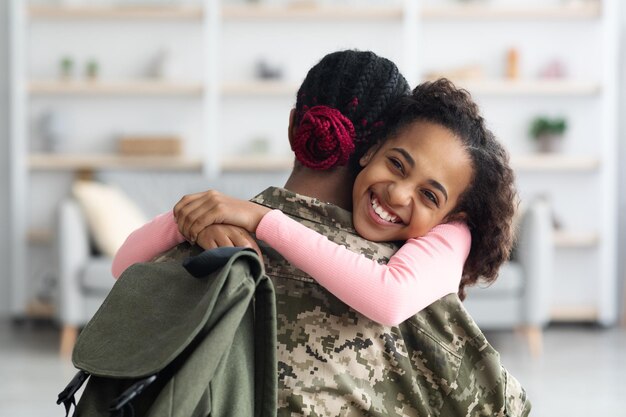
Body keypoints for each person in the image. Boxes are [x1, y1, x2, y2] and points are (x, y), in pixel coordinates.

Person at [114, 50, 530, 415]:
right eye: (399, 164)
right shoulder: (418, 296)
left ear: (294, 124)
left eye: (429, 195)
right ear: (374, 147)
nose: (402, 194)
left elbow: (124, 270)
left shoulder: (205, 242)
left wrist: (200, 217)